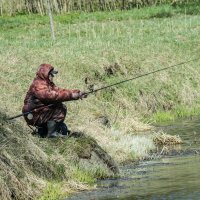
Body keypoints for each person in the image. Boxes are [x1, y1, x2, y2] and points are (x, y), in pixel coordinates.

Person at [22, 63, 87, 138]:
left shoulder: (48, 84)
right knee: (60, 109)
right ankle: (51, 134)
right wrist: (71, 96)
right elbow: (51, 96)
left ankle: (45, 131)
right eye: (51, 74)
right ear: (46, 74)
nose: (53, 76)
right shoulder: (38, 85)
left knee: (59, 106)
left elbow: (60, 91)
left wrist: (77, 93)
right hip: (33, 114)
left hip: (39, 111)